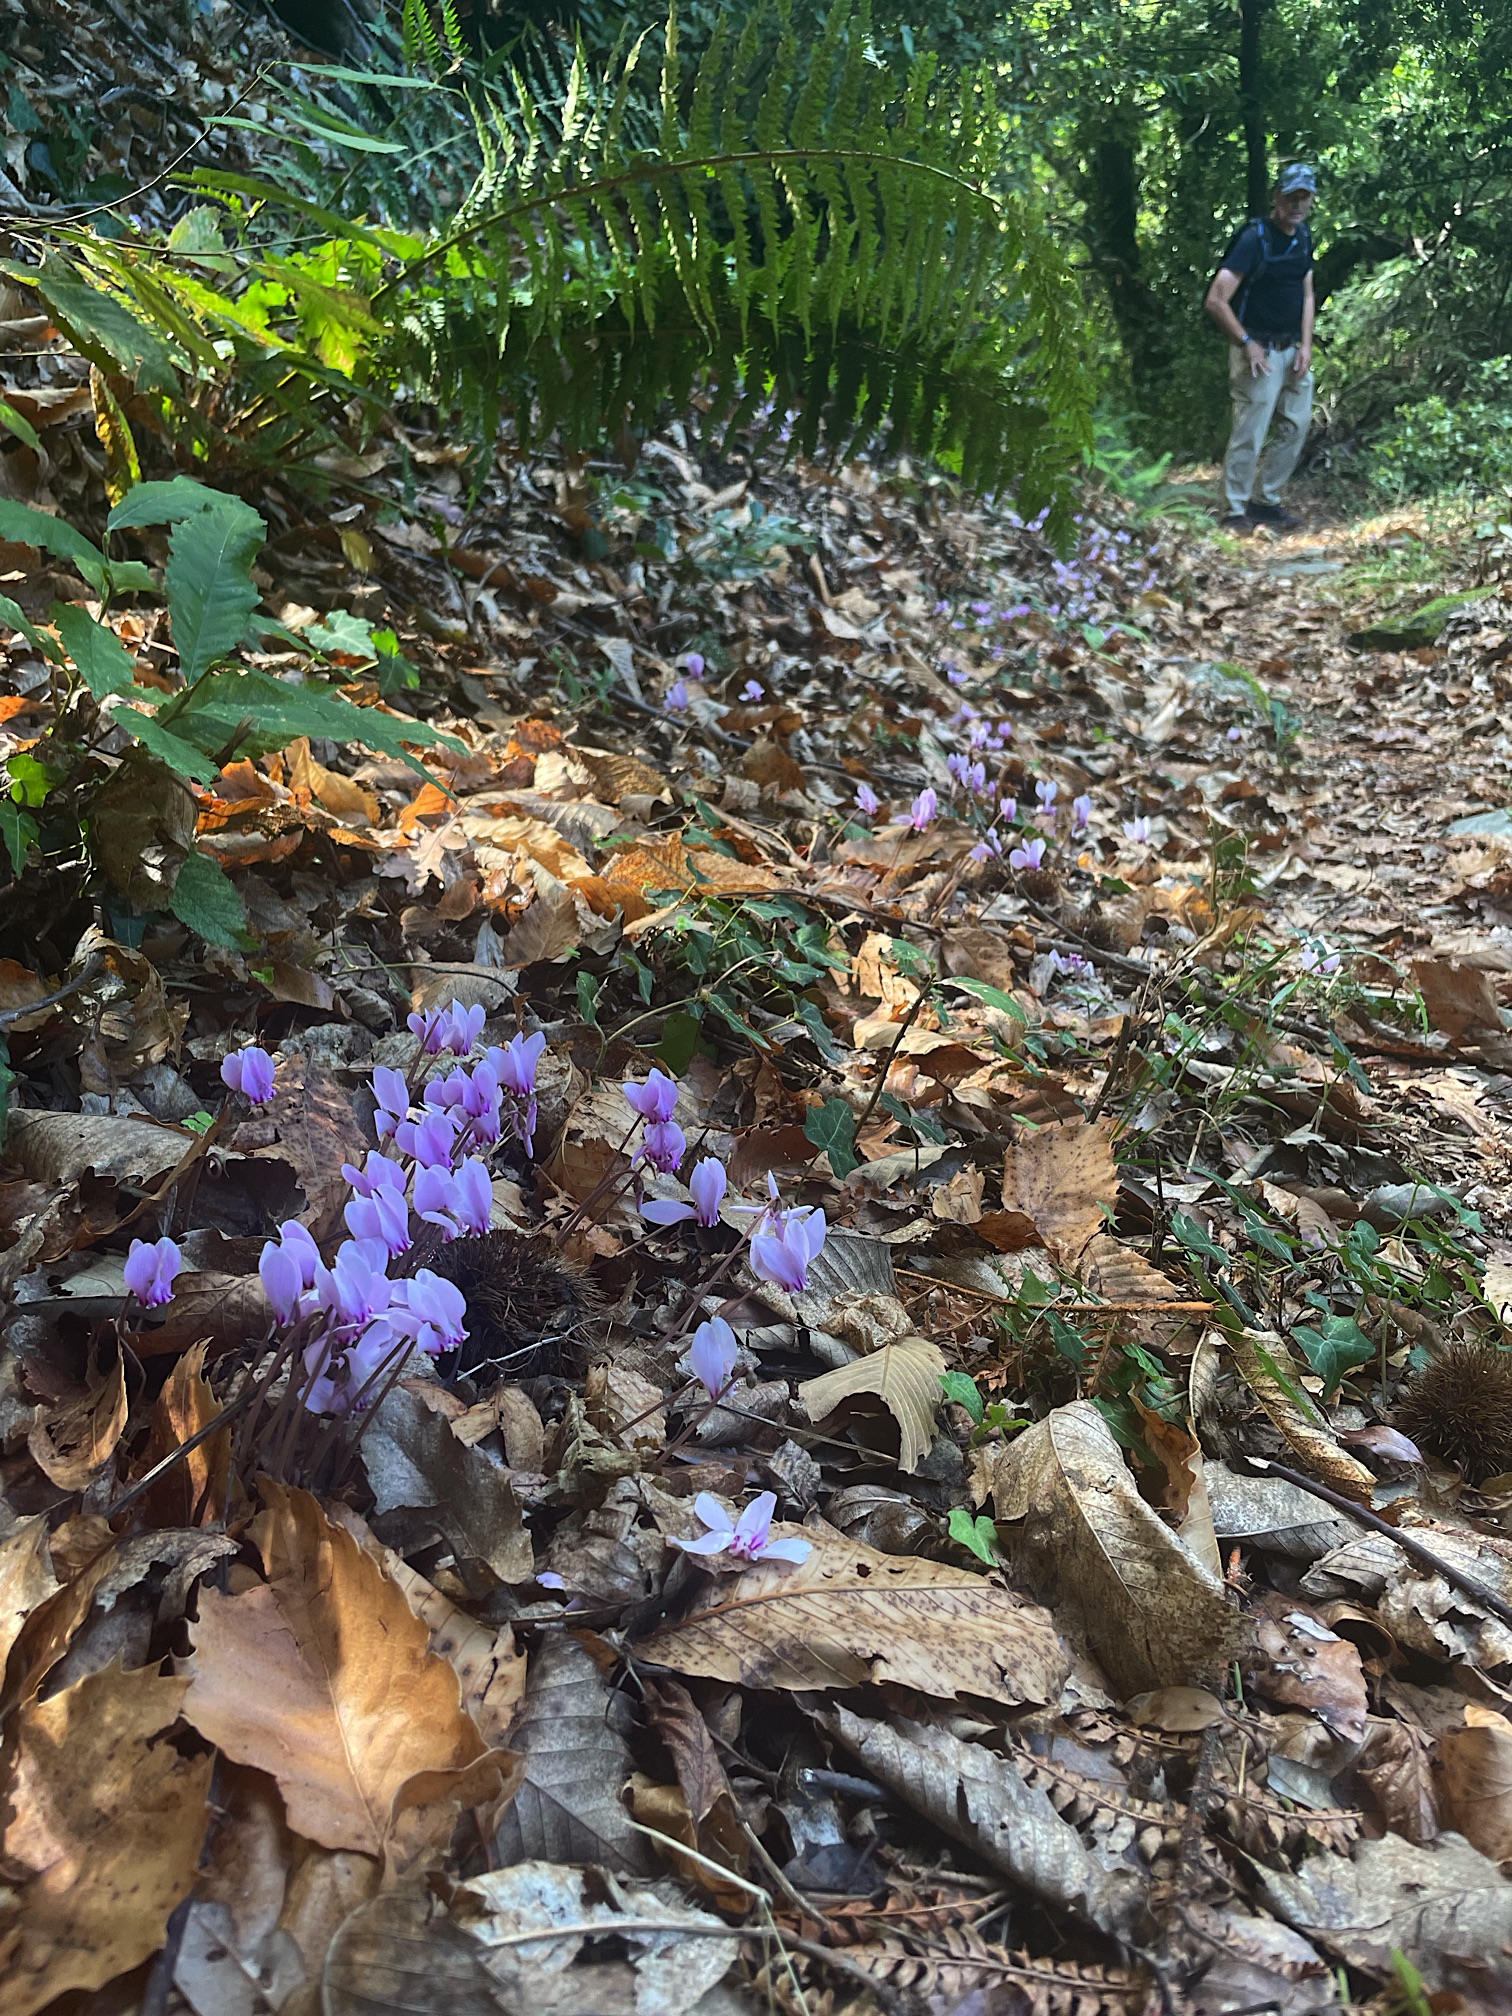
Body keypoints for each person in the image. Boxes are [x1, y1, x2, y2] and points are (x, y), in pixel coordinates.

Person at [1204, 163, 1317, 531]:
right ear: (1277, 197)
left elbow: (1307, 292)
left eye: (1305, 197)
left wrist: (1305, 345)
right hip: (1258, 352)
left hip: (1291, 350)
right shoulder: (1254, 239)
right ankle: (1234, 511)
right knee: (1250, 432)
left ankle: (1266, 501)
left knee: (1296, 426)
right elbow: (1217, 299)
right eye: (1291, 197)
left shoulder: (1303, 237)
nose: (1297, 205)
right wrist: (1246, 343)